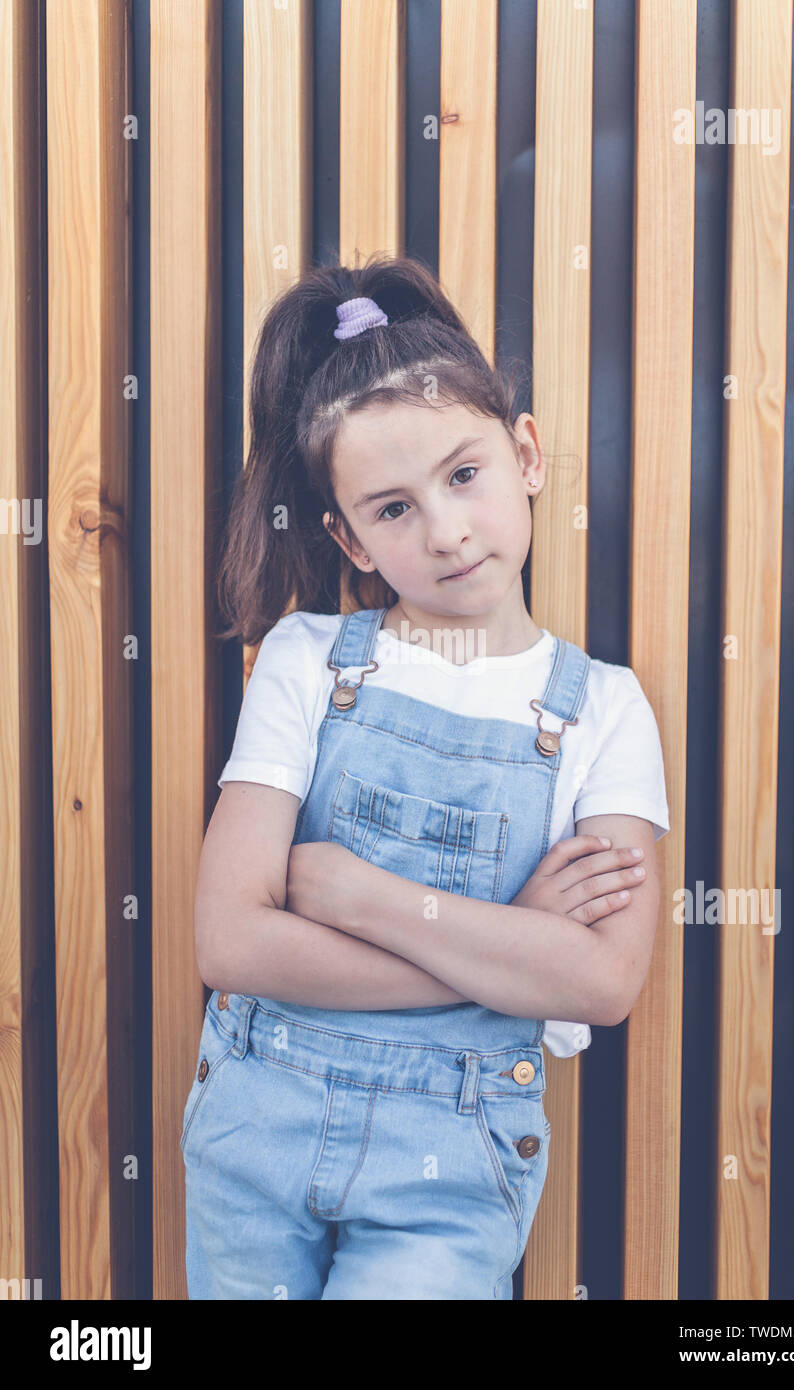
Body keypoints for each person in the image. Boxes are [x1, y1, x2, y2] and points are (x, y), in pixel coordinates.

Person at [181, 253, 669, 1300]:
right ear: (347, 536)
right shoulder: (308, 662)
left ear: (525, 452)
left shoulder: (606, 711)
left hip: (454, 1169)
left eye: (464, 475)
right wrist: (501, 957)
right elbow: (229, 939)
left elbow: (601, 980)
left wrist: (365, 897)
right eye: (392, 509)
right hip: (254, 1135)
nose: (446, 530)